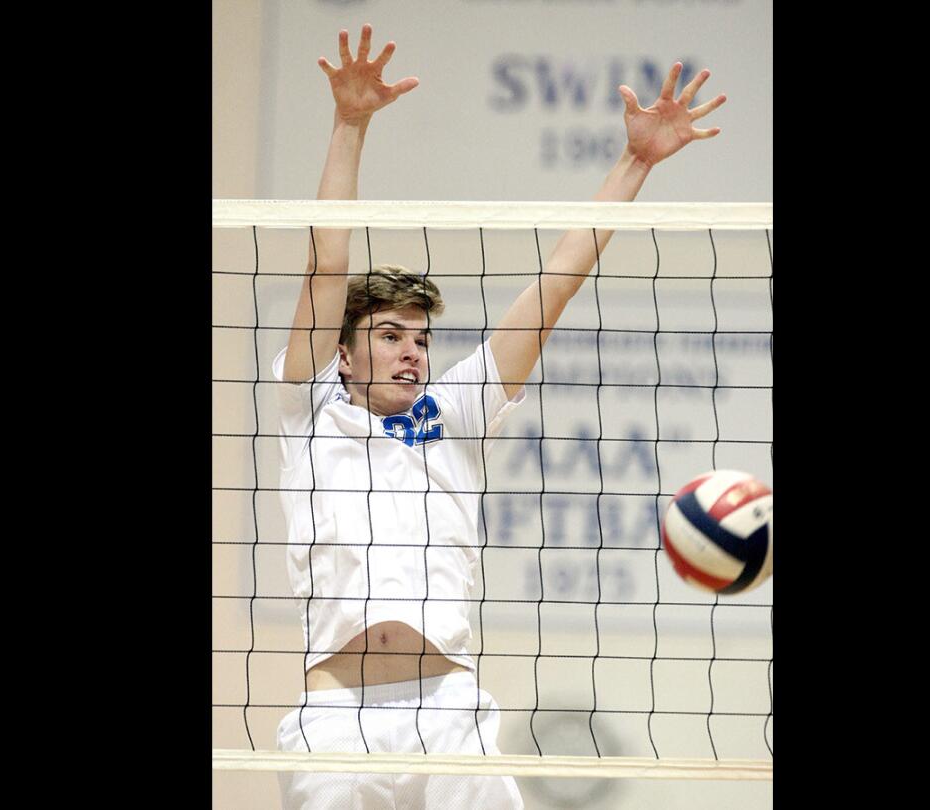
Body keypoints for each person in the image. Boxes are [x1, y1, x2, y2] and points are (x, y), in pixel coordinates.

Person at [270, 24, 725, 810]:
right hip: (335, 719)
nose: (413, 353)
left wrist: (636, 163)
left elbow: (557, 282)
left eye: (422, 339)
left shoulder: (455, 411)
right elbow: (328, 259)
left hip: (450, 714)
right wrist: (349, 125)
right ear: (344, 355)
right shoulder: (308, 413)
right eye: (388, 336)